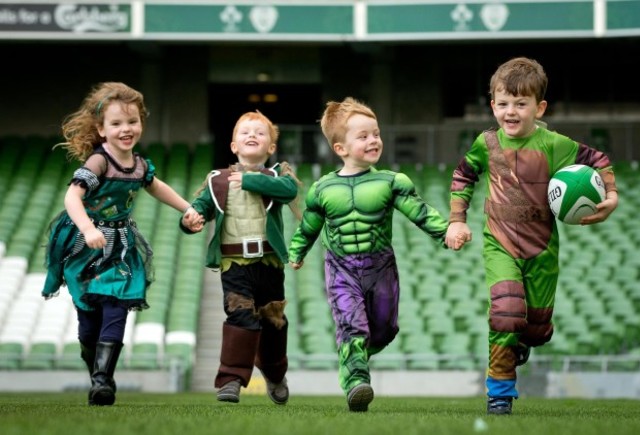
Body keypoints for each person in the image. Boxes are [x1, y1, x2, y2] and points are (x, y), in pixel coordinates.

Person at [444, 57, 619, 415]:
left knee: (537, 329)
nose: (511, 111)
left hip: (542, 247)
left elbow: (598, 160)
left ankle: (522, 343)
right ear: (492, 105)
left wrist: (611, 197)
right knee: (505, 313)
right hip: (500, 243)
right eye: (503, 103)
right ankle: (500, 392)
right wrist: (457, 220)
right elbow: (463, 176)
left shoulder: (554, 144)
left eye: (521, 104)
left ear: (539, 108)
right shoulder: (485, 143)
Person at [288, 97, 460, 412]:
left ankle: (356, 352)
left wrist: (446, 232)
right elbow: (309, 226)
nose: (373, 140)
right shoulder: (322, 189)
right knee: (352, 325)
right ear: (340, 148)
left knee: (384, 328)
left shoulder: (392, 181)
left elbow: (419, 212)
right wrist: (297, 251)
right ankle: (356, 381)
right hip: (341, 268)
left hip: (381, 266)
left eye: (376, 134)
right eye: (363, 136)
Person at [41, 82, 202, 406]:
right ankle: (96, 368)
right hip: (84, 247)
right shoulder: (98, 162)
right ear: (102, 129)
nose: (126, 129)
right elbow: (72, 195)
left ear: (141, 123)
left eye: (132, 122)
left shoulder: (140, 164)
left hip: (120, 247)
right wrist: (87, 228)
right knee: (89, 325)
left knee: (117, 307)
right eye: (116, 124)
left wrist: (188, 208)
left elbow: (157, 188)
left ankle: (102, 382)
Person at [180, 110, 300, 405]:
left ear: (270, 147)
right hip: (235, 265)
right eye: (245, 132)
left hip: (269, 264)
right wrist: (190, 221)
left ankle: (274, 373)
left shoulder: (277, 177)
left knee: (274, 322)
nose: (252, 136)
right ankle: (231, 379)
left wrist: (249, 181)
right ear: (233, 145)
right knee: (240, 315)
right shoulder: (217, 181)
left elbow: (289, 191)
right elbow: (200, 208)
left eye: (260, 133)